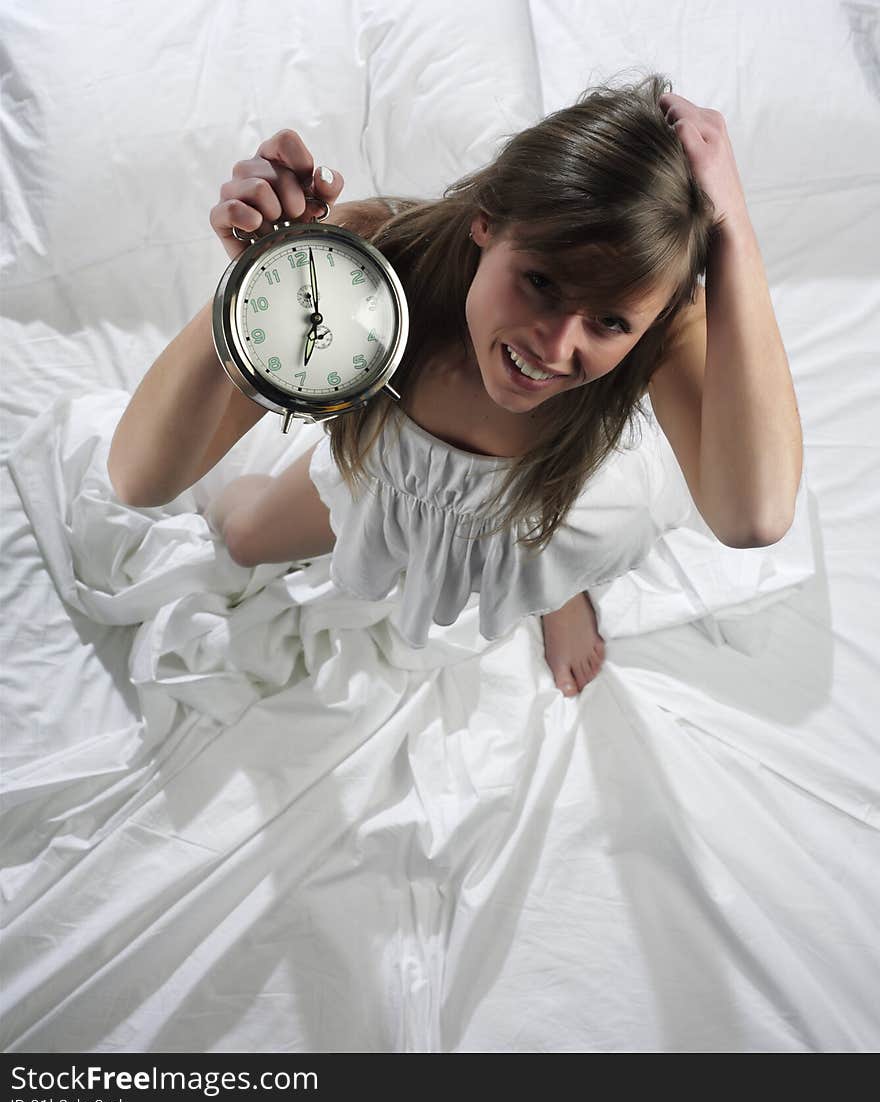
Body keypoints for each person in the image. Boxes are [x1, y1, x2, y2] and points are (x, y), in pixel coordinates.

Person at [108, 73, 716, 697]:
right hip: (388, 478)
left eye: (609, 320)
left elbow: (756, 517)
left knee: (545, 570)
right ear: (488, 223)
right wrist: (255, 281)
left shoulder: (665, 327)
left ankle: (558, 596)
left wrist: (733, 229)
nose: (555, 348)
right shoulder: (379, 262)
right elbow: (139, 480)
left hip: (549, 514)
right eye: (541, 283)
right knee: (241, 536)